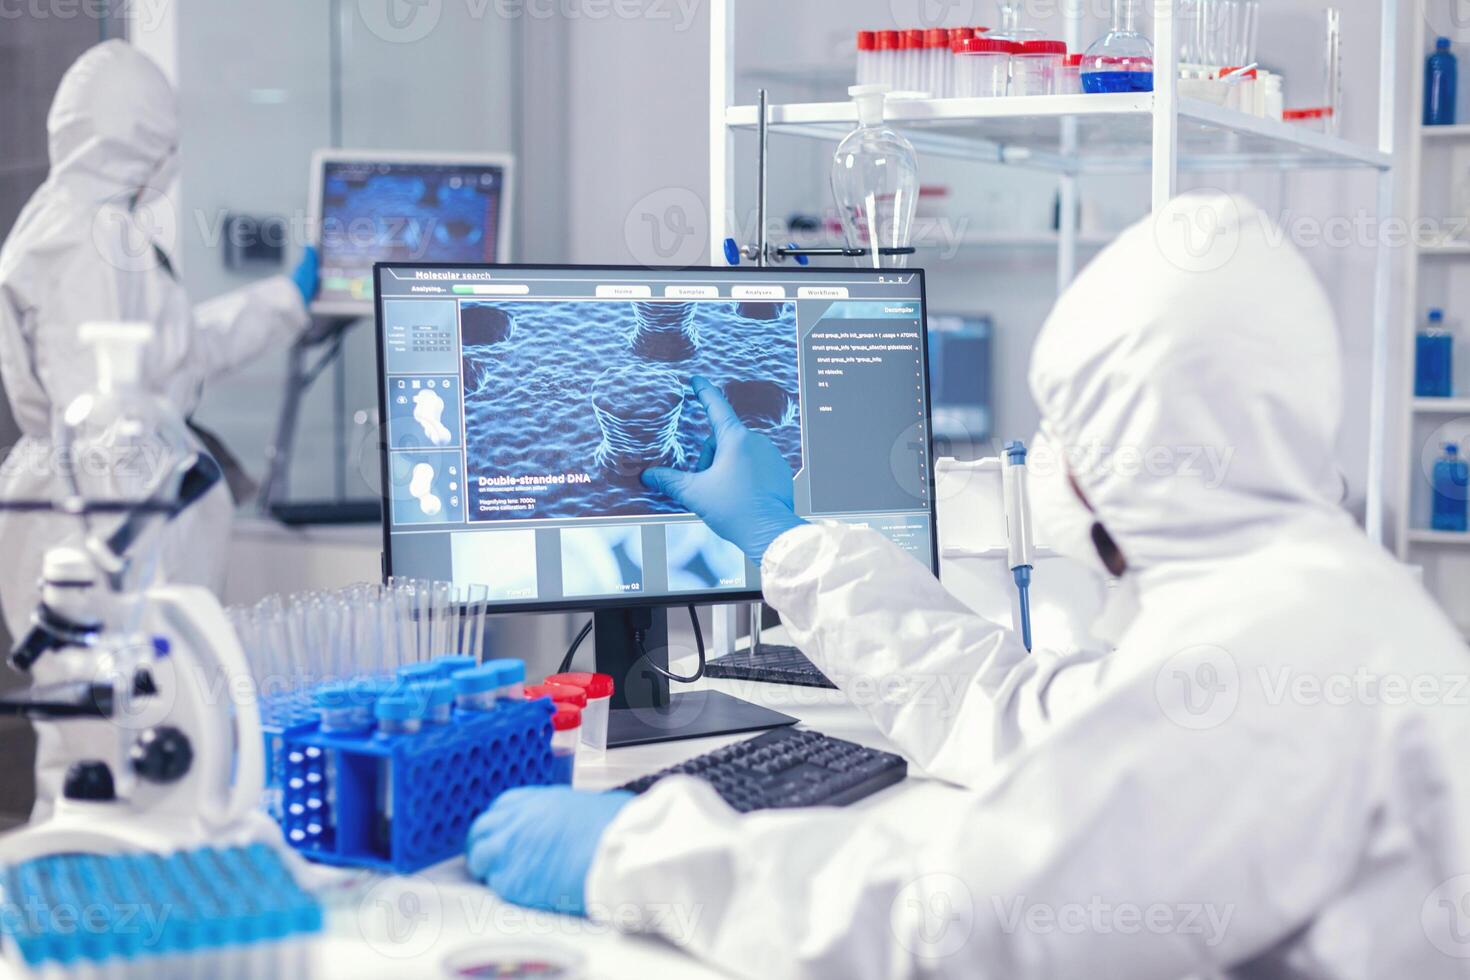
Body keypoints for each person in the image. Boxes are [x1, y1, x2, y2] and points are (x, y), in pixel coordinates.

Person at [467, 194, 1470, 977]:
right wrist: (786, 541)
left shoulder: (1265, 656)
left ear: (1134, 451)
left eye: (1074, 433)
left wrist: (631, 858)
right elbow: (1025, 711)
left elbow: (946, 925)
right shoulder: (1312, 592)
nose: (1059, 469)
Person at [0, 40, 318, 636]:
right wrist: (139, 560)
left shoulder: (81, 223)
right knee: (111, 716)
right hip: (102, 527)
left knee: (121, 716)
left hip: (101, 508)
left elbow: (176, 353)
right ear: (144, 142)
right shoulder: (86, 244)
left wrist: (285, 300)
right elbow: (101, 415)